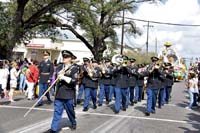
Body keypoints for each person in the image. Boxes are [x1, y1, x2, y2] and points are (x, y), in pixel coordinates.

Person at [49, 50, 79, 132]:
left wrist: (64, 77)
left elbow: (74, 81)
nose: (64, 58)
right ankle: (53, 129)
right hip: (59, 93)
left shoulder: (74, 68)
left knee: (70, 111)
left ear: (70, 58)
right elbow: (56, 80)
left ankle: (73, 122)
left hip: (68, 93)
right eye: (63, 57)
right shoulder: (59, 67)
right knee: (57, 112)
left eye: (66, 57)